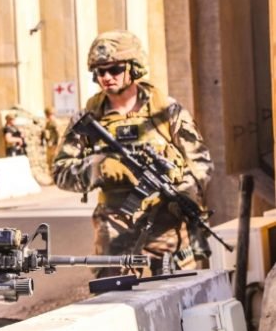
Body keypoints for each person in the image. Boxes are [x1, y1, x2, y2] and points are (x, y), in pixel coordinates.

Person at [52, 30, 213, 277]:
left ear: (134, 68)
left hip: (166, 228)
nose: (106, 77)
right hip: (114, 230)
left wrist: (184, 193)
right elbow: (60, 171)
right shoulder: (88, 119)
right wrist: (98, 168)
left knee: (178, 293)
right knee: (113, 296)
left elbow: (200, 162)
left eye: (114, 69)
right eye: (100, 72)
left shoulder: (165, 111)